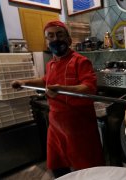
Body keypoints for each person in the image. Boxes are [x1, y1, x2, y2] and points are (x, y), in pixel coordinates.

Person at [11, 20, 105, 178]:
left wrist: (61, 89)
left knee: (88, 169)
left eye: (60, 35)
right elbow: (45, 80)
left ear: (68, 40)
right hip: (56, 125)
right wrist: (24, 82)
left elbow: (89, 88)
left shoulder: (81, 61)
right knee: (57, 164)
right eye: (51, 36)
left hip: (79, 125)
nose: (55, 39)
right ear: (47, 42)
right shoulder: (51, 64)